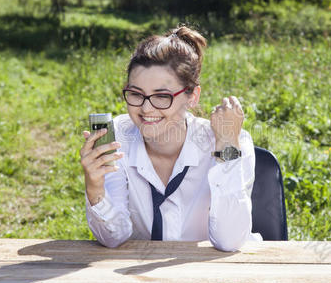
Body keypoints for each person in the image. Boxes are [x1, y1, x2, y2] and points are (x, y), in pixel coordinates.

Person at [80, 26, 260, 252]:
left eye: (162, 96)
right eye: (136, 94)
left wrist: (226, 147)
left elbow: (230, 241)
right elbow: (114, 237)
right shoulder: (118, 138)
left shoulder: (234, 140)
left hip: (213, 274)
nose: (146, 108)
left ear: (192, 97)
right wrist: (95, 189)